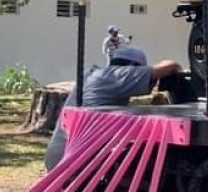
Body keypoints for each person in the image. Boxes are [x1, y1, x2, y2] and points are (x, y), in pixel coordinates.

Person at [45, 45, 183, 170]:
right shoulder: (121, 75)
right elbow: (170, 65)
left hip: (56, 158)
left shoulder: (94, 74)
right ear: (132, 66)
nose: (152, 84)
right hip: (77, 165)